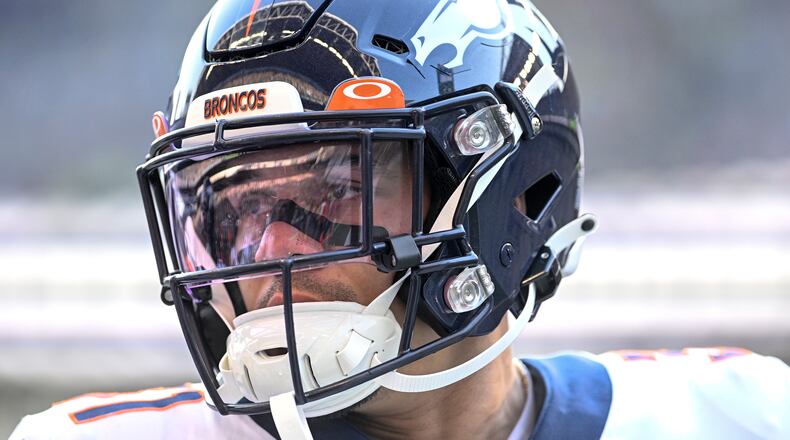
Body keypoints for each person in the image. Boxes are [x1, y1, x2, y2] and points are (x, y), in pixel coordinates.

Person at [11, 0, 790, 439]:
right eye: (234, 206)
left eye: (334, 186)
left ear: (512, 194)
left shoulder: (740, 419)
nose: (269, 249)